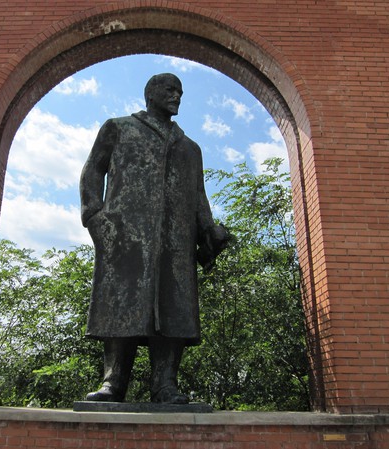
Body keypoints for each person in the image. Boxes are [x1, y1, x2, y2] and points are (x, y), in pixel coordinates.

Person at [79, 73, 230, 404]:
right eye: (170, 90)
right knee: (123, 305)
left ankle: (165, 385)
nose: (177, 96)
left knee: (173, 310)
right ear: (150, 94)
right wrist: (95, 217)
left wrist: (208, 230)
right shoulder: (119, 128)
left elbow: (199, 195)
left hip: (176, 242)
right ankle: (112, 382)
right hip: (125, 237)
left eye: (180, 91)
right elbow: (93, 170)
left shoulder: (190, 147)